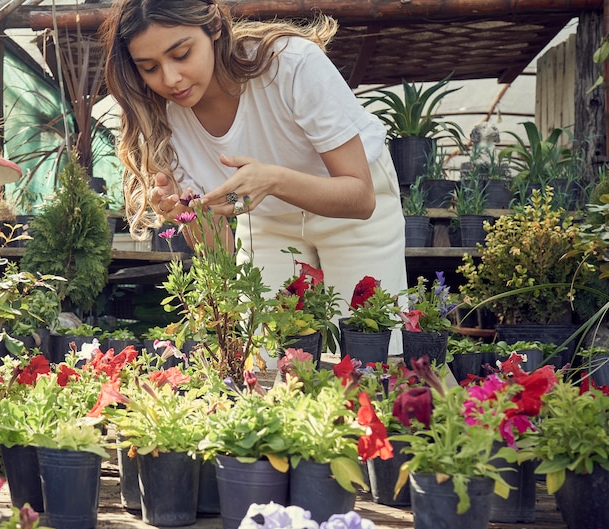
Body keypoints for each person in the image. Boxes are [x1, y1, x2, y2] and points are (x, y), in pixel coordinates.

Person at [101, 0, 408, 353]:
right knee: (266, 354)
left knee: (368, 351)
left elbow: (360, 199)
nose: (170, 79)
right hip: (265, 218)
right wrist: (189, 214)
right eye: (150, 67)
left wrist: (274, 180)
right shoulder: (159, 118)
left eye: (182, 54)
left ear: (214, 25)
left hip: (349, 207)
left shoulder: (291, 63)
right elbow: (223, 251)